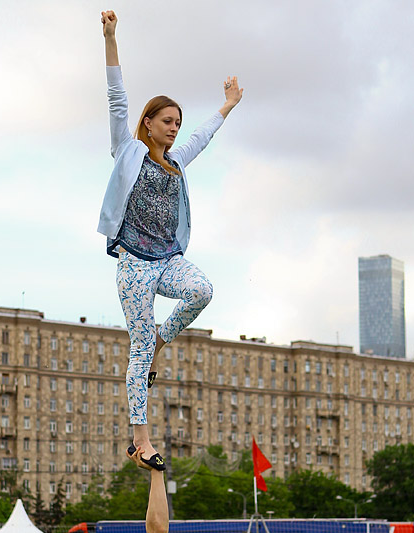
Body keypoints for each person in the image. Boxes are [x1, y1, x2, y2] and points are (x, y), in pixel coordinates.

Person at [98, 10, 243, 470]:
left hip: (167, 258)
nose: (175, 127)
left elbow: (202, 138)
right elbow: (116, 97)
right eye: (167, 120)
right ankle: (142, 440)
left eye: (178, 121)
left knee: (202, 289)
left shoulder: (176, 162)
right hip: (134, 265)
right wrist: (111, 39)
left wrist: (226, 107)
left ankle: (163, 338)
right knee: (138, 349)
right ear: (148, 123)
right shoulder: (127, 147)